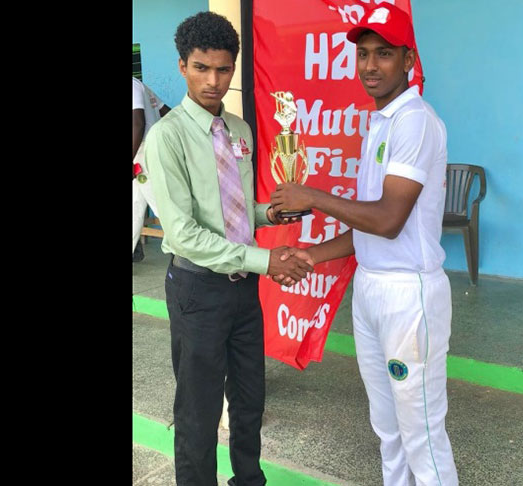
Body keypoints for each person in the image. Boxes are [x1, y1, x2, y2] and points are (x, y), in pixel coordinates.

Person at [270, 3, 459, 485]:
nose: (371, 66)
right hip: (372, 289)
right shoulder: (380, 122)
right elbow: (370, 226)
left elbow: (390, 219)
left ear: (409, 61)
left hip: (407, 298)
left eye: (385, 54)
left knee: (421, 435)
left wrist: (310, 195)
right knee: (388, 429)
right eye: (364, 55)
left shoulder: (414, 121)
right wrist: (312, 255)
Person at [144, 11, 313, 486]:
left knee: (248, 400)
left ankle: (248, 480)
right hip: (197, 290)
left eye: (223, 69)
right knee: (197, 413)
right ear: (182, 67)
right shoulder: (167, 137)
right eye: (201, 68)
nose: (213, 81)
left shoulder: (238, 130)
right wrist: (266, 260)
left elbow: (230, 211)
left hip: (242, 290)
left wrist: (270, 214)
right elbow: (183, 232)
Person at [133, 77, 171, 262]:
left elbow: (138, 123)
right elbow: (167, 112)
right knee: (135, 205)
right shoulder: (141, 86)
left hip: (144, 151)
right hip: (143, 151)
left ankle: (185, 250)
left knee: (160, 204)